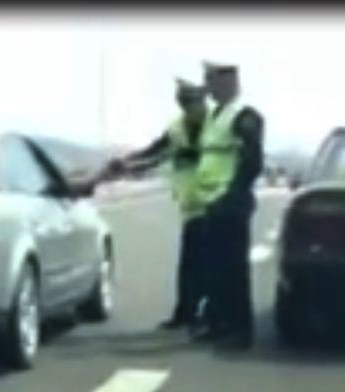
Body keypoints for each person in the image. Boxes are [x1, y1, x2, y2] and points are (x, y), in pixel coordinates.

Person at [93, 78, 211, 331]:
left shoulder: (216, 126)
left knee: (211, 265)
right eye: (184, 102)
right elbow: (154, 152)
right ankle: (186, 314)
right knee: (190, 264)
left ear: (202, 100)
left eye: (192, 101)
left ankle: (209, 316)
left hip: (217, 204)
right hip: (193, 205)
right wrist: (125, 162)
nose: (188, 107)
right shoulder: (178, 128)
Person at [191, 59, 264, 350]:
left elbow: (252, 161)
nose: (207, 86)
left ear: (228, 83)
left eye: (211, 80)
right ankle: (219, 323)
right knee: (214, 269)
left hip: (231, 205)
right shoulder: (215, 116)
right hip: (211, 202)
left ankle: (240, 330)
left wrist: (232, 194)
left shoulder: (244, 116)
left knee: (233, 270)